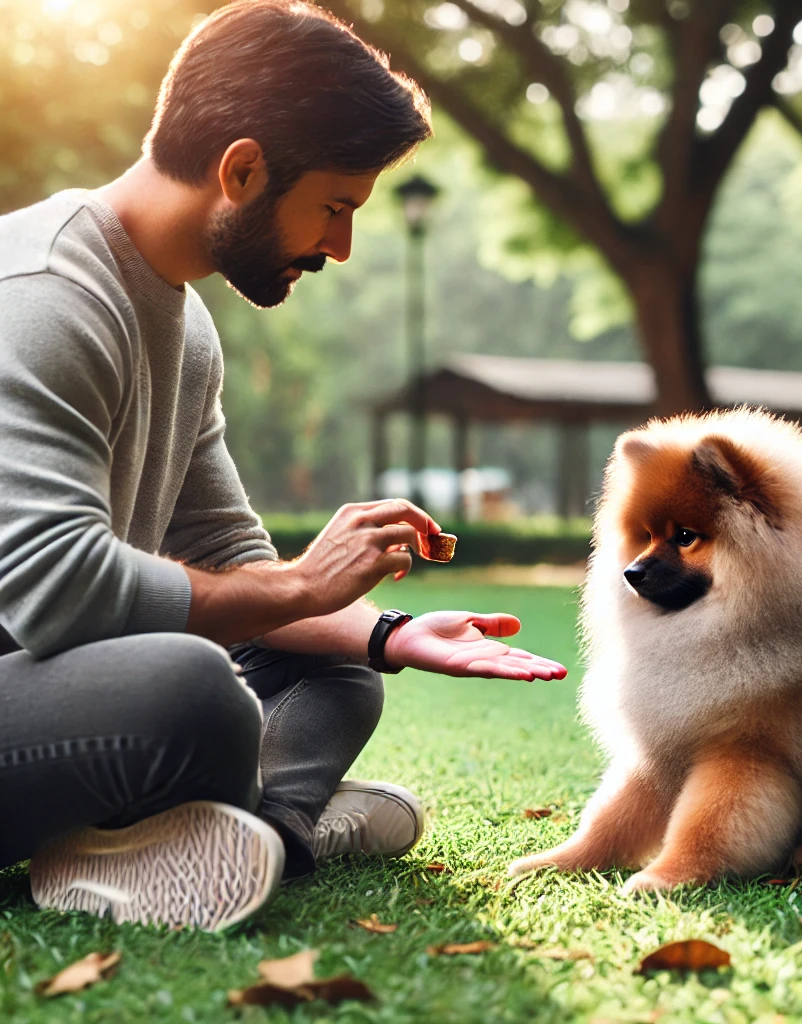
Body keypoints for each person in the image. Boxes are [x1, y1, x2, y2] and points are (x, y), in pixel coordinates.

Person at [0, 0, 567, 933]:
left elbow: (226, 554)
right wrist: (302, 585)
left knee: (337, 669)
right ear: (242, 170)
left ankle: (251, 834)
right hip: (36, 683)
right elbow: (58, 590)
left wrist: (389, 633)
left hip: (50, 683)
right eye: (336, 207)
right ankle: (273, 818)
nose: (340, 247)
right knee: (193, 691)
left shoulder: (185, 327)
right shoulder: (46, 296)